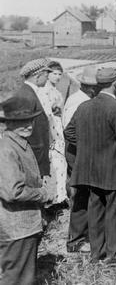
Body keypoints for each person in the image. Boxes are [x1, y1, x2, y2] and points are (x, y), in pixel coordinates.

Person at [64, 68, 116, 264]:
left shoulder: (84, 107)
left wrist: (88, 148)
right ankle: (115, 256)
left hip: (90, 171)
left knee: (96, 212)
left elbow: (69, 132)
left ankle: (96, 254)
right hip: (115, 171)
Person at [0, 96, 54, 284]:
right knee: (16, 279)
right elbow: (12, 192)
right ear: (8, 122)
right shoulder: (6, 149)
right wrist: (43, 194)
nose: (28, 125)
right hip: (16, 228)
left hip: (24, 225)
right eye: (20, 121)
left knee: (24, 277)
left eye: (30, 119)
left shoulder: (19, 143)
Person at [62, 65, 99, 254]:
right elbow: (69, 132)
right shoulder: (79, 102)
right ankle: (76, 240)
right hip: (78, 154)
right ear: (91, 87)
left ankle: (82, 237)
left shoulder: (82, 99)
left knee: (84, 194)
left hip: (81, 153)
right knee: (82, 195)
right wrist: (89, 147)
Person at [12, 58, 52, 178]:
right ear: (37, 76)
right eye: (46, 75)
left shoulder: (29, 92)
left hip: (34, 154)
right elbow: (21, 130)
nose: (47, 78)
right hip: (31, 156)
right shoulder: (27, 95)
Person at [39, 61, 69, 204]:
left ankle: (60, 195)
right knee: (55, 162)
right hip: (50, 128)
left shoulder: (57, 91)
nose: (57, 77)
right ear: (48, 74)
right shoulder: (44, 90)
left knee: (60, 162)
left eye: (59, 74)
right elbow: (47, 114)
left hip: (58, 126)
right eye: (54, 73)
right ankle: (56, 198)